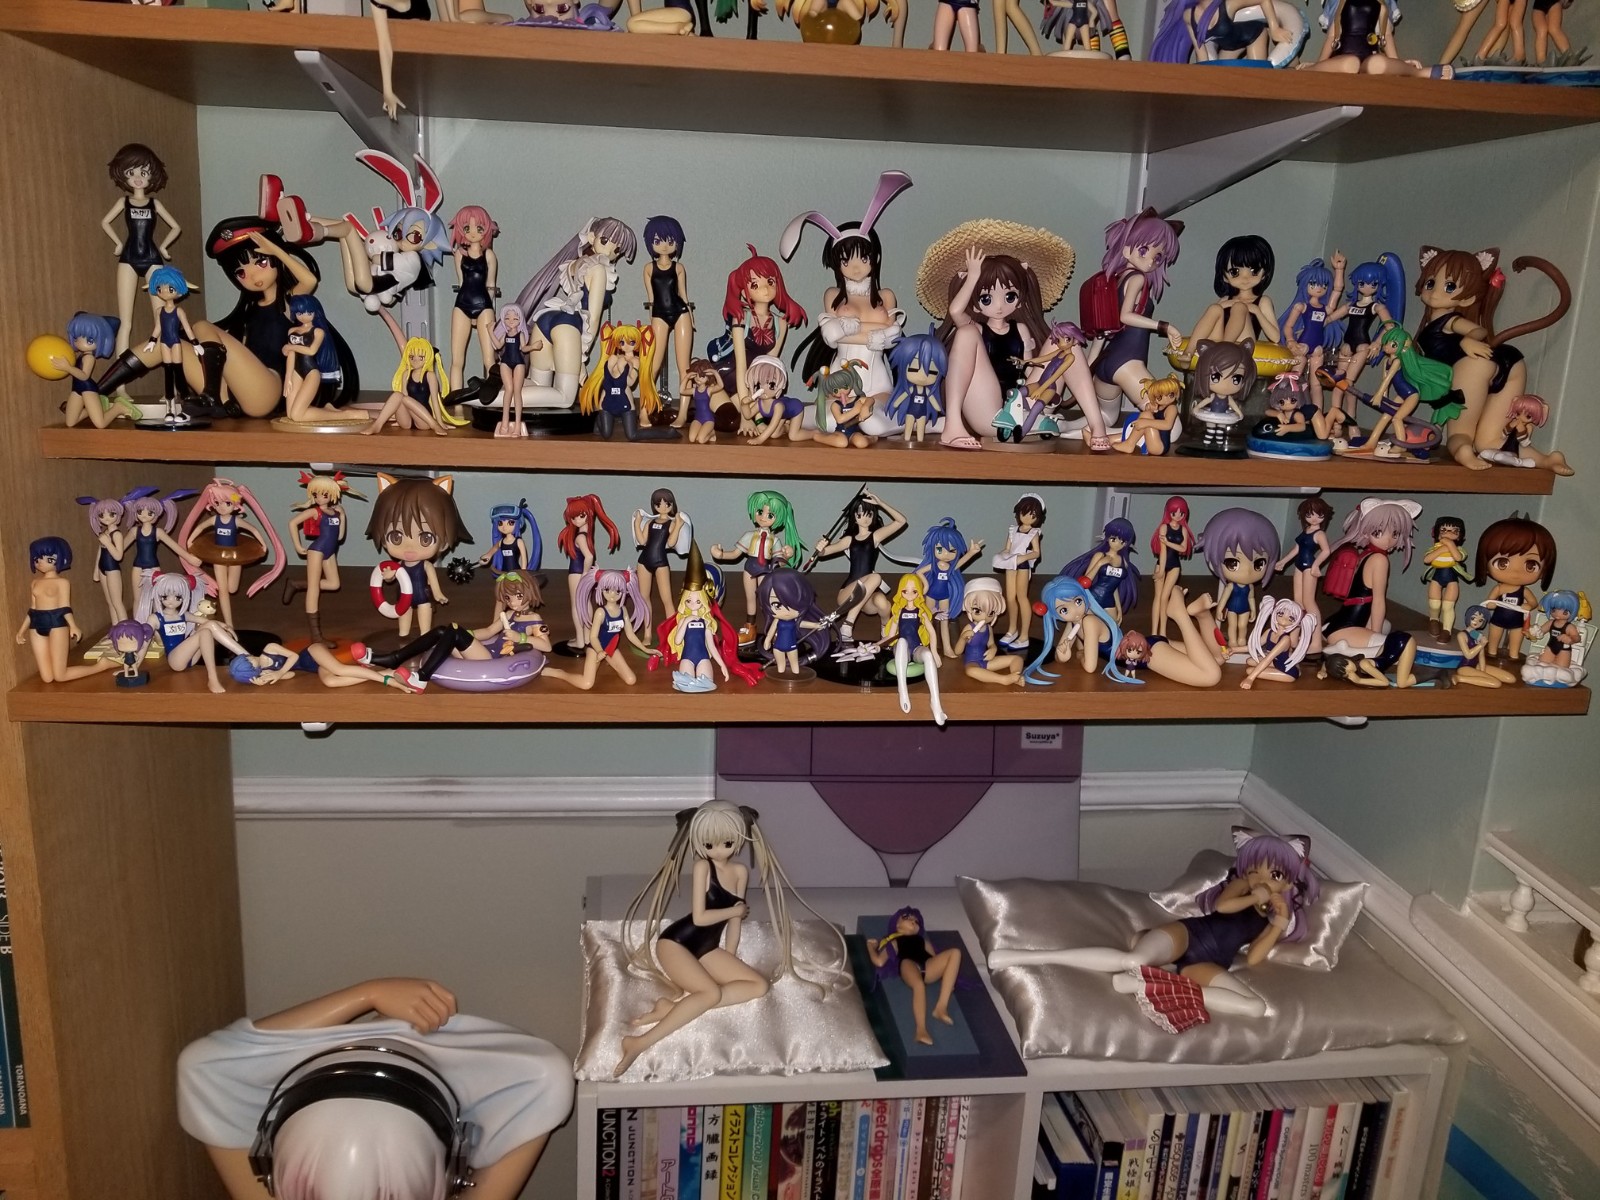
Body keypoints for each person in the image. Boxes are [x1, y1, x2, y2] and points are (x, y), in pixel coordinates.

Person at [178, 978, 573, 1200]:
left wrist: (366, 995)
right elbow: (544, 1078)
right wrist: (367, 995)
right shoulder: (532, 1083)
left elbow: (205, 1068)